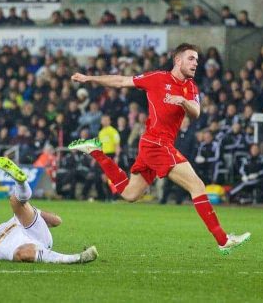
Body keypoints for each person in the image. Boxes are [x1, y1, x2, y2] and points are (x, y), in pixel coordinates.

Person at [69, 43, 250, 254]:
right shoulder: (156, 78)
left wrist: (182, 101)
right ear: (178, 60)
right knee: (197, 186)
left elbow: (196, 113)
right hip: (156, 143)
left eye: (197, 60)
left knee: (129, 194)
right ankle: (222, 240)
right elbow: (121, 81)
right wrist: (90, 79)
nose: (195, 63)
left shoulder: (190, 87)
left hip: (155, 144)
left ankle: (96, 152)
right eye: (191, 59)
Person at [0, 157, 98, 264]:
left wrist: (34, 212)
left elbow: (57, 221)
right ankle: (76, 258)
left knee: (14, 200)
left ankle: (19, 181)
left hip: (36, 234)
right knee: (20, 252)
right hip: (25, 249)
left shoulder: (14, 219)